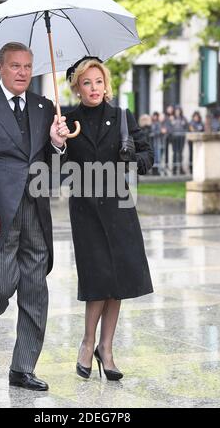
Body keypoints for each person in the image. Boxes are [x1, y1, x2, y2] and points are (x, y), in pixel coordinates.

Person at [0, 42, 69, 391]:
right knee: (1, 285)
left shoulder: (45, 107)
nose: (23, 72)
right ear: (1, 68)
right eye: (16, 66)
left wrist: (57, 144)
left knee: (36, 289)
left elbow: (53, 168)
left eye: (28, 66)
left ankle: (22, 367)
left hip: (36, 207)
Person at [65, 57, 154, 380]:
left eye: (98, 82)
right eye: (87, 83)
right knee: (98, 279)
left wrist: (134, 158)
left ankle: (107, 348)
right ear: (77, 87)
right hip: (85, 208)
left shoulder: (121, 117)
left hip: (119, 206)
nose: (94, 88)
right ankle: (88, 343)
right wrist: (59, 143)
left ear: (107, 85)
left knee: (117, 281)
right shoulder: (67, 118)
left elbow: (148, 154)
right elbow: (56, 164)